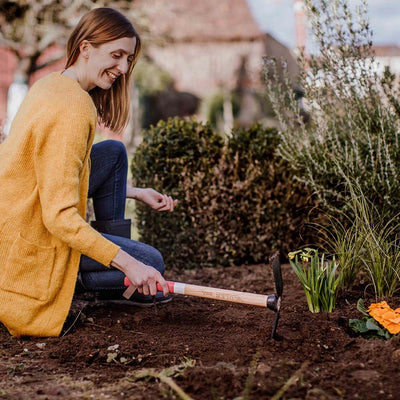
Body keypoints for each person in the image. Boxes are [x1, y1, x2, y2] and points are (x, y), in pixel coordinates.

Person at [0, 7, 177, 337]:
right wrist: (129, 263)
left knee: (111, 153)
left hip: (17, 223)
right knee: (152, 264)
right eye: (116, 55)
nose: (123, 68)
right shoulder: (73, 108)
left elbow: (56, 175)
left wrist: (135, 192)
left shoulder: (50, 84)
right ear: (85, 48)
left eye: (128, 59)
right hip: (30, 246)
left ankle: (105, 269)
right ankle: (83, 281)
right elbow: (60, 217)